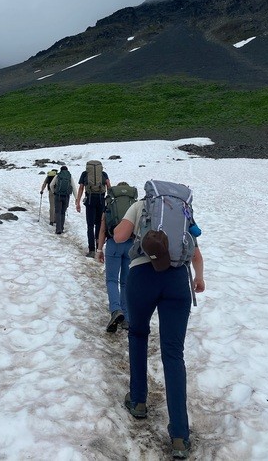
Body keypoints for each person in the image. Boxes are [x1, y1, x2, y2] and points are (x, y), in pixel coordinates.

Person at [113, 196, 205, 460]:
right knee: (174, 353)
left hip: (143, 275)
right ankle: (180, 436)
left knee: (138, 334)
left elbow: (119, 236)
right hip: (178, 279)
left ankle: (138, 401)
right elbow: (195, 252)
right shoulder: (183, 211)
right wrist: (199, 277)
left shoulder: (141, 205)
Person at [96, 182, 135, 333]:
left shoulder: (110, 205)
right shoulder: (134, 206)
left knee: (112, 280)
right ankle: (126, 318)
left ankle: (115, 310)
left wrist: (99, 250)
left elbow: (102, 230)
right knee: (126, 282)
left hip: (113, 243)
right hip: (130, 245)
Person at [75, 162, 111, 257]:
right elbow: (108, 185)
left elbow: (81, 188)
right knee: (99, 224)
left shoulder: (85, 174)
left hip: (90, 200)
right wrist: (110, 200)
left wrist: (78, 202)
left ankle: (91, 250)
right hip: (101, 200)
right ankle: (98, 248)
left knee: (90, 225)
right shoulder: (103, 174)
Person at [49, 166, 78, 235]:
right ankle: (61, 228)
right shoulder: (69, 176)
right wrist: (76, 198)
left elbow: (51, 185)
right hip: (66, 196)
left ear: (61, 170)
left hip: (58, 196)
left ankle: (58, 229)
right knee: (63, 212)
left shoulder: (58, 176)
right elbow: (74, 187)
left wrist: (54, 192)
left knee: (58, 212)